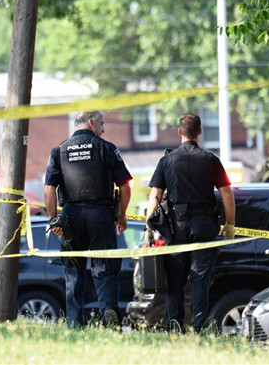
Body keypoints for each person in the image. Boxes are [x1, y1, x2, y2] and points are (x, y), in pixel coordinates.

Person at [146, 112, 235, 333]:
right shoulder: (211, 160)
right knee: (200, 280)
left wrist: (150, 227)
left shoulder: (166, 160)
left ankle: (175, 327)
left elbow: (155, 196)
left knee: (175, 282)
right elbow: (227, 194)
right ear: (200, 133)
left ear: (179, 132)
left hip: (175, 228)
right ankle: (199, 327)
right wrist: (230, 224)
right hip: (204, 225)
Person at [44, 111, 132, 328]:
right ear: (91, 123)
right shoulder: (106, 148)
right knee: (105, 267)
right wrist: (121, 216)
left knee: (73, 271)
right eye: (102, 124)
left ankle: (74, 324)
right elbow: (125, 186)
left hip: (71, 216)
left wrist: (54, 220)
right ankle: (108, 310)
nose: (104, 129)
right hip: (101, 215)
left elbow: (49, 189)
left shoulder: (59, 150)